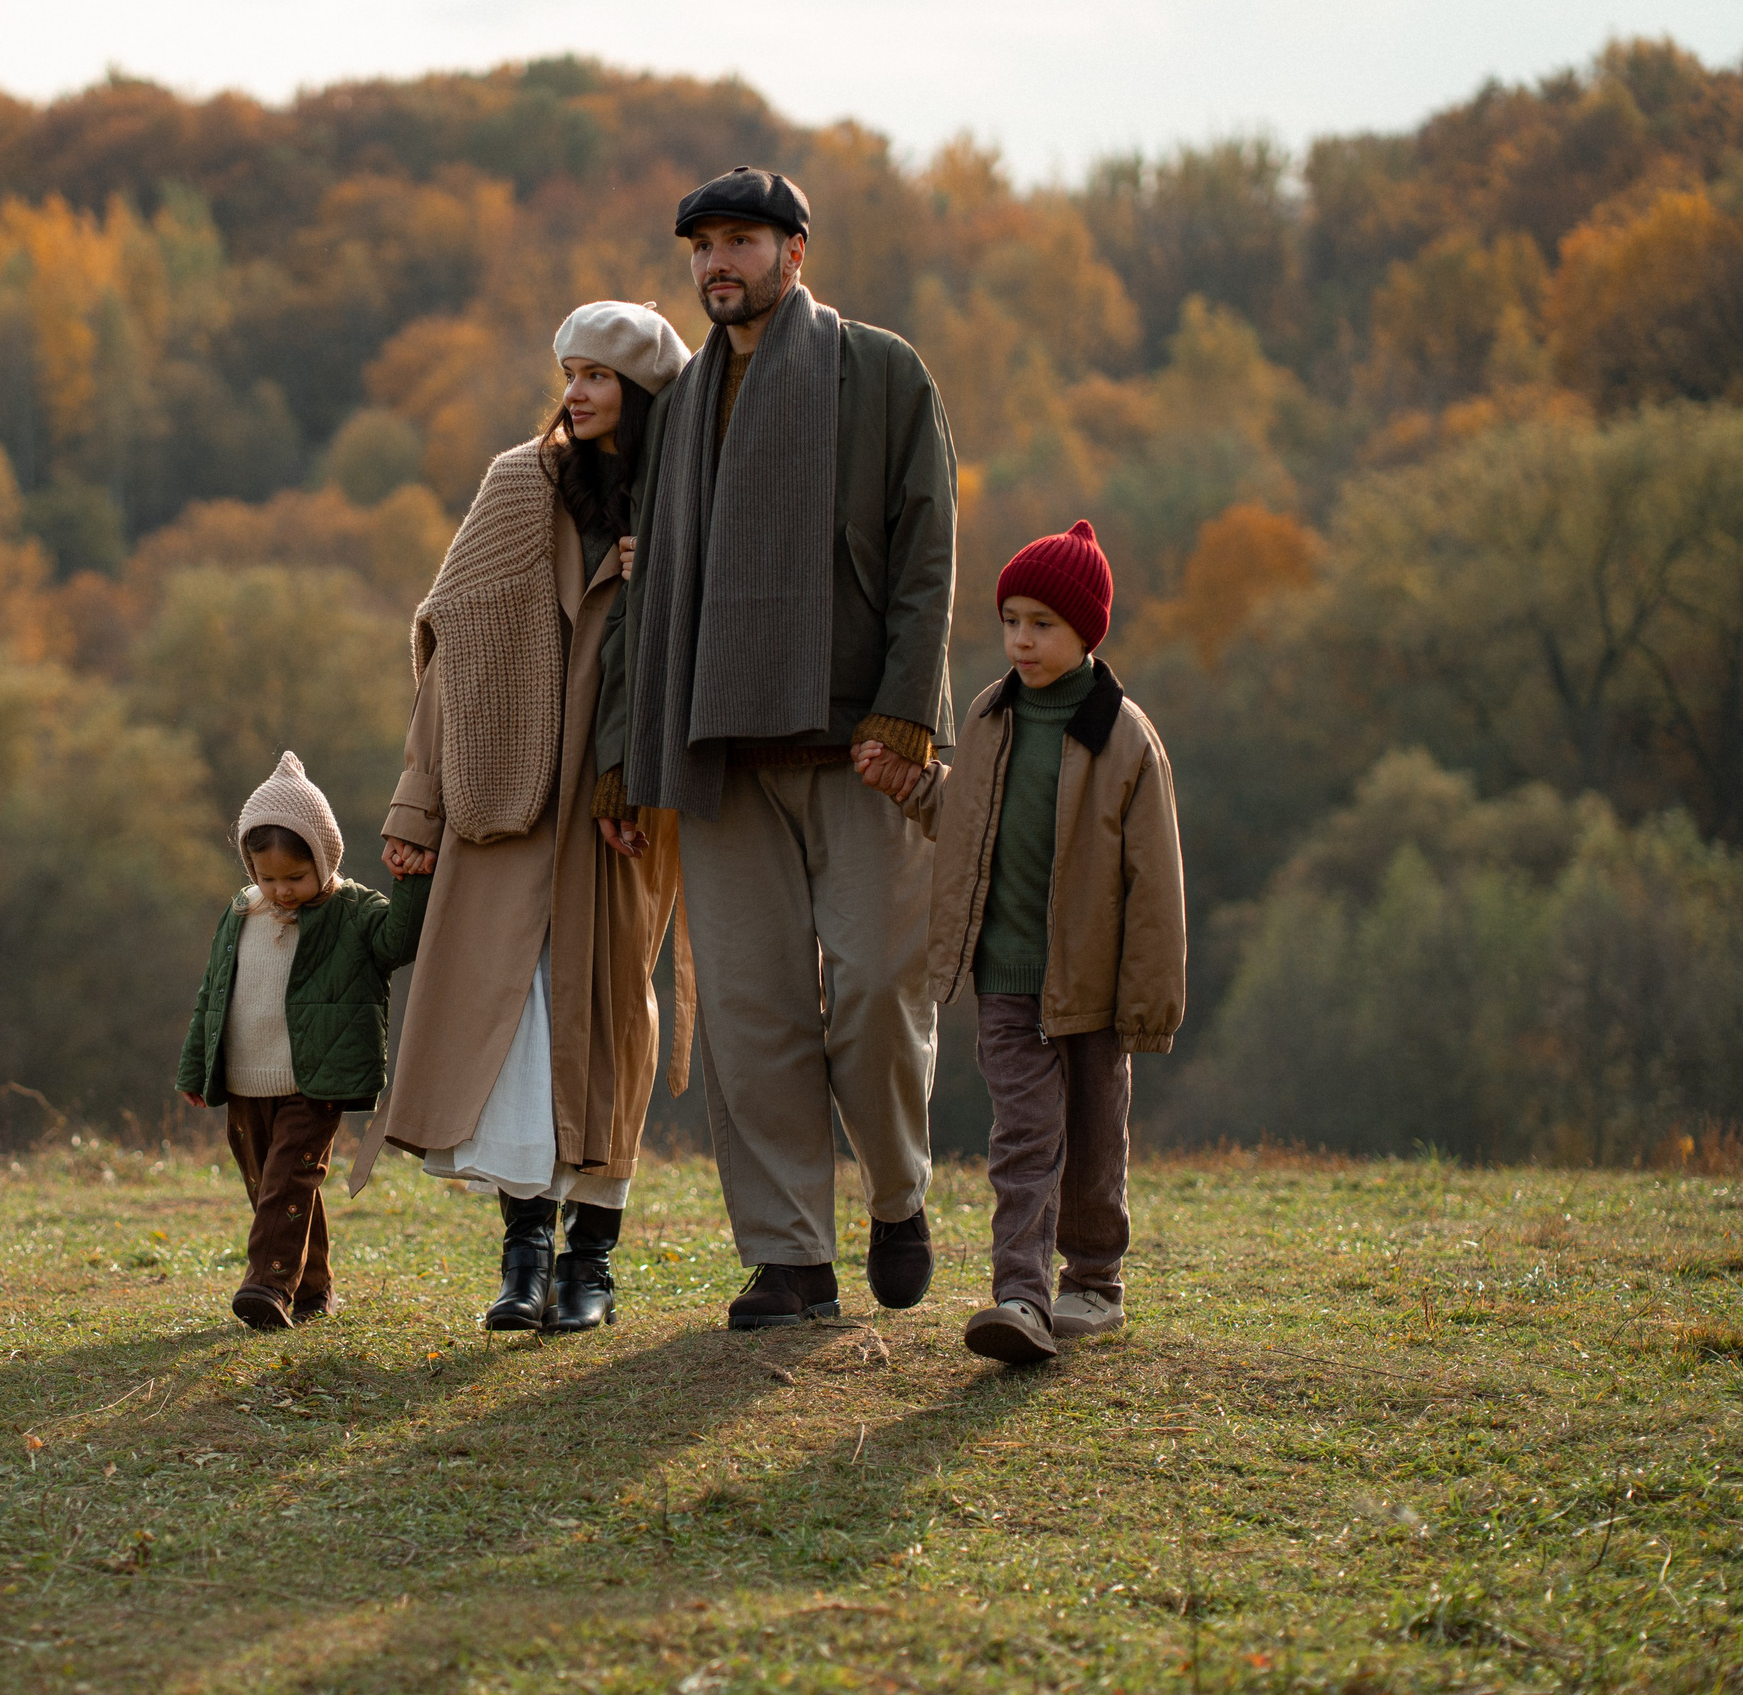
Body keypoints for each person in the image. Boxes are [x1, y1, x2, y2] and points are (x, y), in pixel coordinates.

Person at [594, 166, 957, 1329]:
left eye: (743, 240)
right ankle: (791, 1257)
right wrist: (624, 757)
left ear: (795, 253)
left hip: (860, 750)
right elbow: (646, 597)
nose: (719, 264)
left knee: (875, 996)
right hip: (719, 755)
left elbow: (926, 553)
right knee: (752, 1022)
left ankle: (897, 1195)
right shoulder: (684, 406)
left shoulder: (880, 372)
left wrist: (905, 715)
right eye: (703, 245)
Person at [364, 300, 694, 1334]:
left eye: (600, 376)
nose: (578, 392)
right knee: (516, 1022)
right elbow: (450, 653)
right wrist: (417, 805)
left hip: (622, 813)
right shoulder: (519, 486)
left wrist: (667, 584)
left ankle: (592, 1257)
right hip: (506, 805)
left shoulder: (683, 499)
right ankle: (523, 1253)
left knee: (607, 1025)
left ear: (644, 393)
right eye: (571, 372)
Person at [898, 521, 1186, 1364]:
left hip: (1089, 985)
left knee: (1094, 1134)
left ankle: (1094, 1280)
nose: (1021, 638)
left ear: (1086, 632)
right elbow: (967, 820)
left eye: (1042, 624)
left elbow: (1157, 886)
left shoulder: (1123, 736)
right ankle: (1019, 1296)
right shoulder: (990, 717)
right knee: (1023, 1135)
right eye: (1011, 619)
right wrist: (914, 787)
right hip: (1005, 977)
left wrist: (1147, 1001)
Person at [177, 751, 429, 1332]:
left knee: (289, 1178)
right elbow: (211, 995)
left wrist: (410, 882)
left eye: (295, 876)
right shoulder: (241, 912)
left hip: (315, 1080)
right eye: (267, 877)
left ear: (324, 858)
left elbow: (400, 942)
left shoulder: (354, 912)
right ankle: (313, 1290)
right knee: (271, 1184)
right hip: (245, 1078)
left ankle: (266, 1285)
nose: (282, 890)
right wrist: (196, 1068)